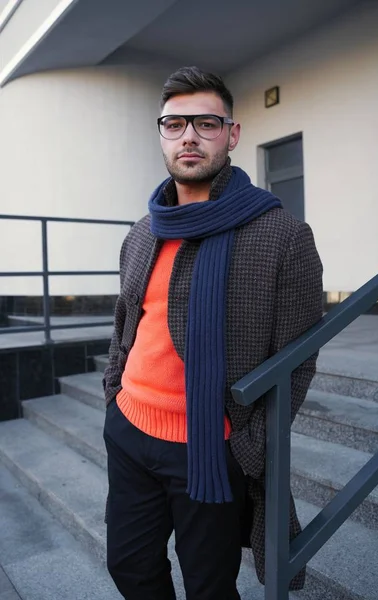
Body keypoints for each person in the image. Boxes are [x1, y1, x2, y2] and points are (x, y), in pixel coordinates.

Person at [103, 66, 323, 600]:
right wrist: (114, 392)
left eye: (205, 123)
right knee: (130, 570)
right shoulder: (143, 231)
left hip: (211, 450)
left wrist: (248, 447)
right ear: (161, 134)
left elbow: (298, 360)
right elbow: (127, 321)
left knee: (209, 586)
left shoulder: (282, 236)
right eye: (174, 124)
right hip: (131, 432)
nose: (189, 137)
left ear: (232, 133)